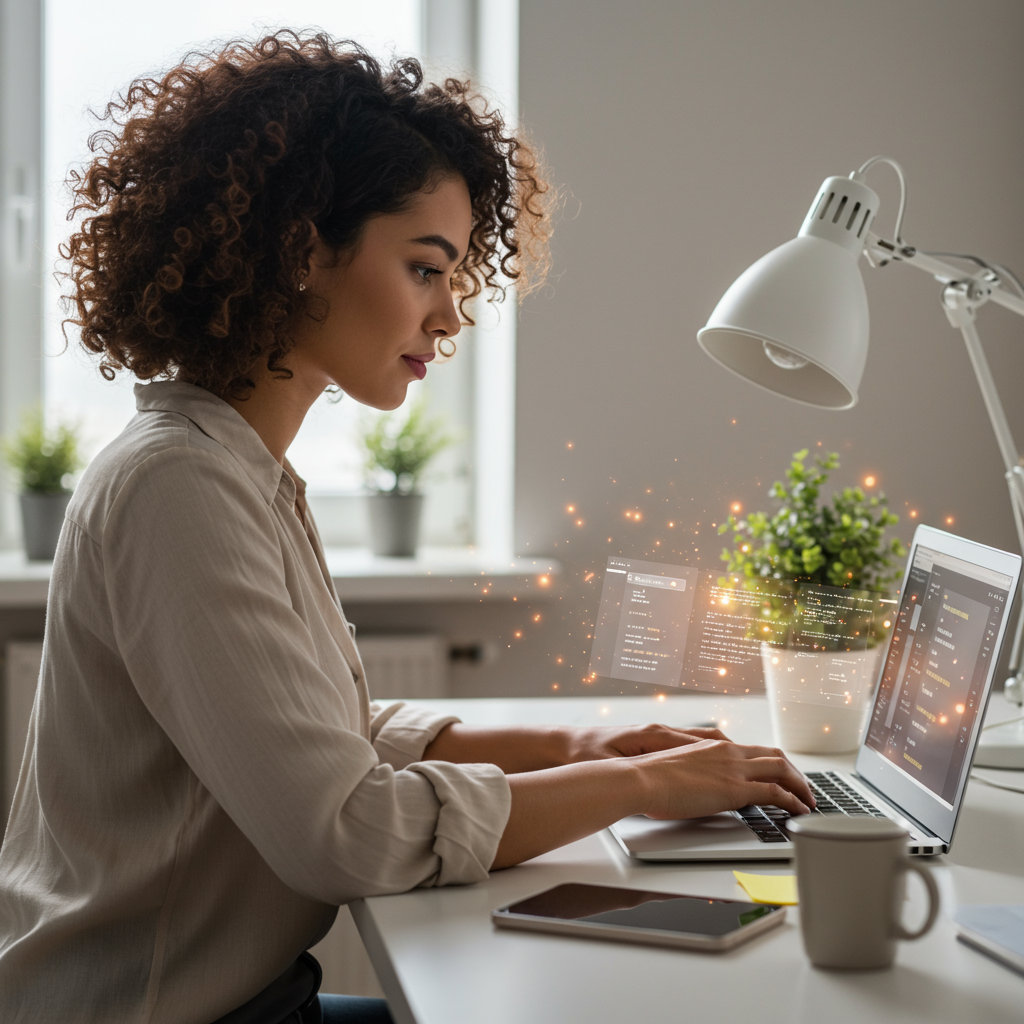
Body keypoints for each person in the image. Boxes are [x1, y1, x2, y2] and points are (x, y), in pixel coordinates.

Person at [0, 32, 814, 1024]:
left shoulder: (232, 471)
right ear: (303, 249)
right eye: (425, 267)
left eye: (456, 274)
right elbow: (345, 830)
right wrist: (637, 780)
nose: (449, 317)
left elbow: (324, 740)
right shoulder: (181, 488)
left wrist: (593, 746)